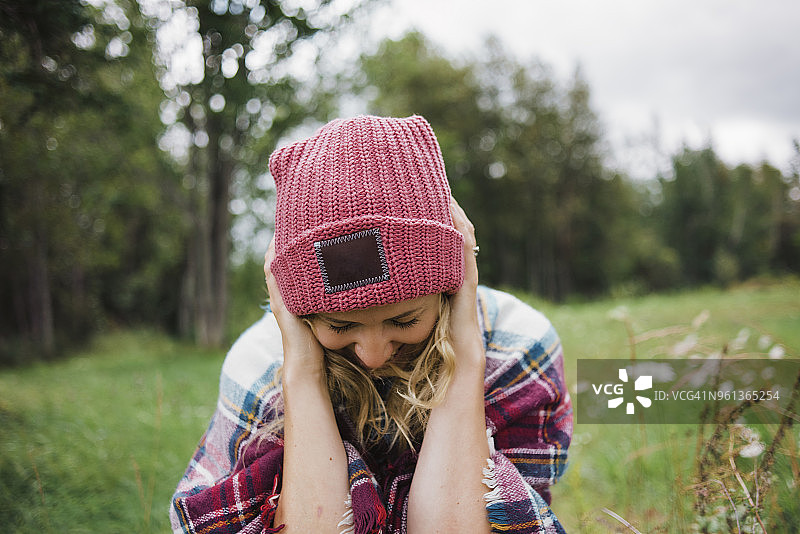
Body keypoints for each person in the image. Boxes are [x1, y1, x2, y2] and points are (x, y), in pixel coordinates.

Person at [169, 115, 572, 534]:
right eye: (342, 326)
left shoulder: (517, 345)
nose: (374, 354)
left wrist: (466, 360)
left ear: (450, 286)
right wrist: (303, 377)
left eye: (404, 319)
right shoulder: (260, 363)